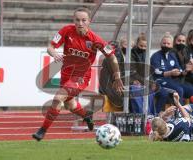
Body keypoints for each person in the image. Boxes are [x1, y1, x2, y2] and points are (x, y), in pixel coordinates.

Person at [32, 7, 124, 141]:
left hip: (81, 77)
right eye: (77, 20)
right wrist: (54, 53)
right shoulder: (66, 31)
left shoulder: (95, 40)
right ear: (73, 20)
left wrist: (117, 76)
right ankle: (86, 116)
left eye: (84, 20)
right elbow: (50, 47)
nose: (80, 23)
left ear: (89, 21)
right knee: (70, 105)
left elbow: (111, 56)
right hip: (66, 74)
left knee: (58, 98)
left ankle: (42, 130)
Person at [150, 32, 193, 105]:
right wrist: (170, 73)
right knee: (179, 89)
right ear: (160, 44)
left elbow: (179, 70)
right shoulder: (156, 56)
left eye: (168, 44)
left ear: (172, 45)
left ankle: (192, 112)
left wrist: (186, 70)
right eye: (164, 43)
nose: (166, 45)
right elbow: (156, 72)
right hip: (159, 81)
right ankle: (180, 113)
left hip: (171, 81)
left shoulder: (172, 55)